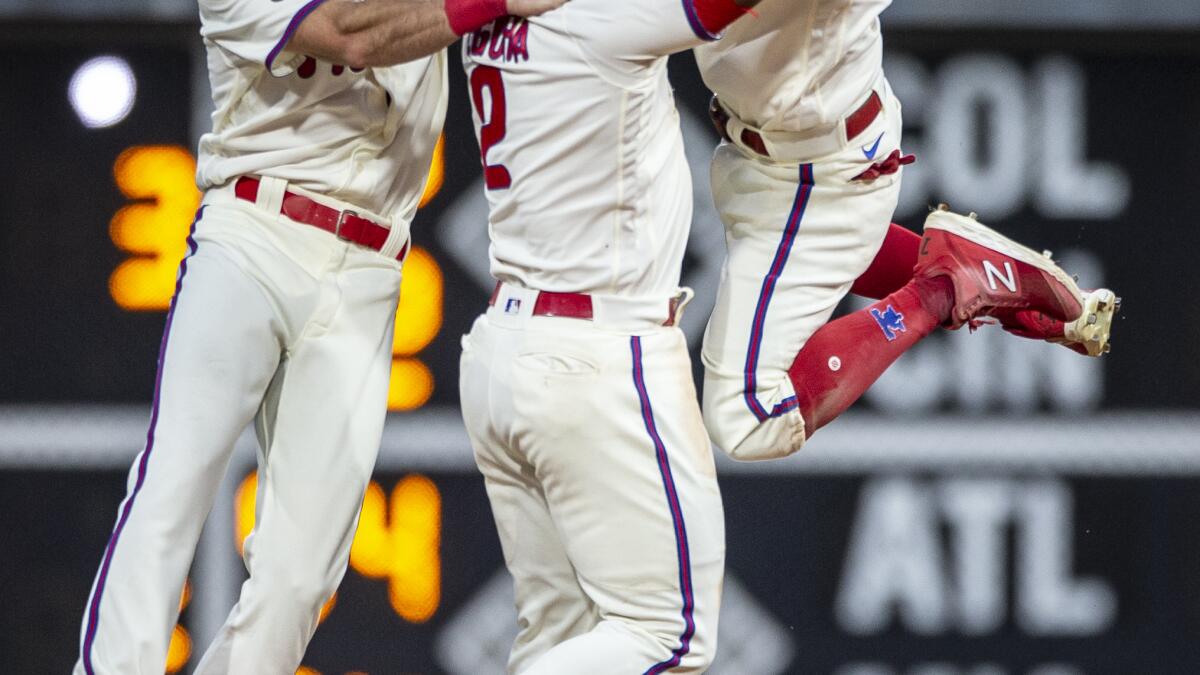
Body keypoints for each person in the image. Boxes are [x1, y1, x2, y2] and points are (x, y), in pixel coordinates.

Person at [76, 0, 566, 672]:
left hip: (372, 266)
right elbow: (349, 35)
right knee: (172, 488)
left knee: (304, 573)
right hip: (254, 233)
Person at [455, 1, 779, 672]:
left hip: (504, 348)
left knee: (558, 639)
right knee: (670, 636)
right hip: (599, 352)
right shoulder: (600, 15)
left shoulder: (485, 25)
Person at [695, 0, 1118, 461]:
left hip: (813, 164)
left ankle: (943, 287)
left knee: (750, 417)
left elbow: (679, 17)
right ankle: (994, 290)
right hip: (778, 142)